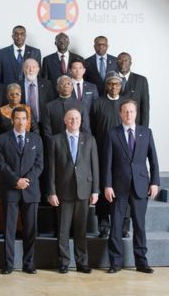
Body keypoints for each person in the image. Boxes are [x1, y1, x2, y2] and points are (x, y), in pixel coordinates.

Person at [104, 99, 159, 274]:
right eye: (125, 111)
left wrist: (155, 182)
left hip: (141, 185)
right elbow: (107, 163)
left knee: (140, 226)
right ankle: (115, 263)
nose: (128, 114)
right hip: (118, 187)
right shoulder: (113, 133)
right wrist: (107, 185)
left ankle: (142, 262)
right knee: (116, 226)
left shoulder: (146, 132)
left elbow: (154, 161)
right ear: (120, 114)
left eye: (131, 111)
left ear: (136, 113)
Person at [47, 108, 99, 274]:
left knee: (81, 230)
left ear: (81, 120)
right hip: (63, 192)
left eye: (77, 118)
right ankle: (63, 262)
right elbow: (51, 169)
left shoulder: (89, 139)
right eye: (71, 119)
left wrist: (95, 190)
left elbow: (95, 167)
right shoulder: (55, 140)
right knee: (63, 230)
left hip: (84, 191)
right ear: (65, 120)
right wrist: (52, 192)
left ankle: (81, 262)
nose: (74, 121)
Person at [0, 107, 43, 275]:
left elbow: (39, 165)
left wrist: (26, 180)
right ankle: (8, 263)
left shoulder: (36, 139)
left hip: (31, 190)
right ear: (12, 120)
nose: (21, 122)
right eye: (18, 118)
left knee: (31, 229)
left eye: (24, 119)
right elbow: (0, 164)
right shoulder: (1, 140)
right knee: (9, 229)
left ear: (28, 121)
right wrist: (16, 180)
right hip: (11, 189)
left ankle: (28, 263)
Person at [0, 83, 38, 233]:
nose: (14, 96)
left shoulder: (28, 110)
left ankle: (24, 229)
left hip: (27, 157)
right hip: (7, 158)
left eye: (17, 94)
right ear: (7, 95)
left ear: (21, 95)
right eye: (11, 94)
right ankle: (9, 229)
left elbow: (36, 130)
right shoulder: (0, 111)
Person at [90, 72, 129, 238]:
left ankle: (123, 226)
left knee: (124, 188)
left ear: (121, 86)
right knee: (103, 186)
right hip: (102, 152)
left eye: (117, 84)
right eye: (111, 84)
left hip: (123, 154)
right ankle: (104, 225)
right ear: (106, 86)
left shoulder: (126, 104)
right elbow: (91, 128)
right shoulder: (98, 103)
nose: (114, 87)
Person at [19, 58, 54, 129]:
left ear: (38, 69)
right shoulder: (17, 85)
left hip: (43, 124)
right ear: (23, 69)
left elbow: (51, 103)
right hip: (23, 125)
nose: (31, 70)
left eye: (34, 67)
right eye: (27, 67)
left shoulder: (47, 84)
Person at [117, 52, 150, 127]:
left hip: (135, 124)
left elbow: (145, 107)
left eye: (126, 60)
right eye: (120, 60)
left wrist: (144, 129)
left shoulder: (141, 80)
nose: (123, 63)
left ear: (130, 63)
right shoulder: (110, 79)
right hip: (115, 125)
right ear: (116, 62)